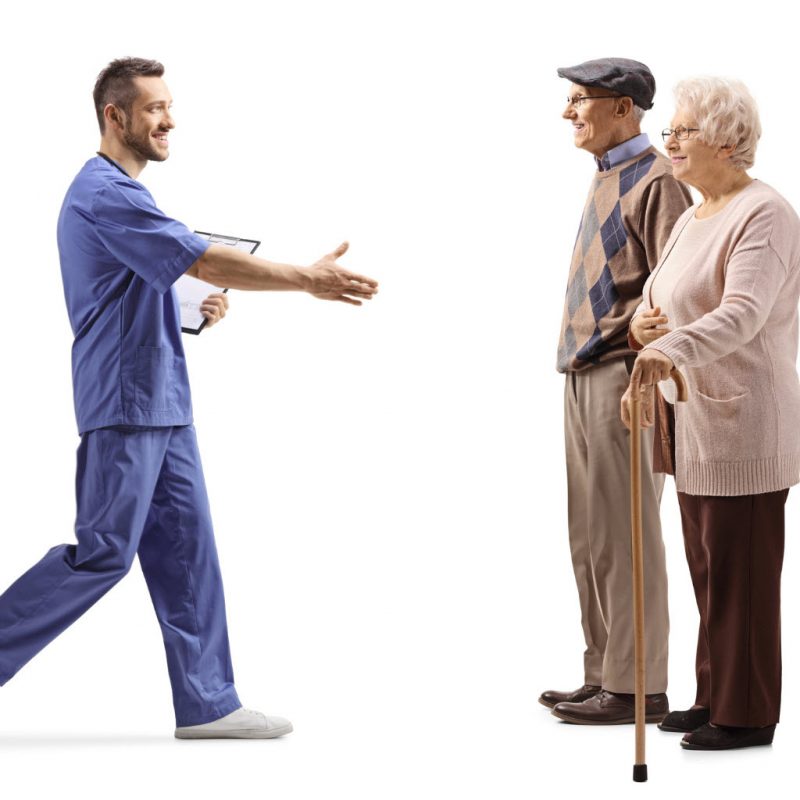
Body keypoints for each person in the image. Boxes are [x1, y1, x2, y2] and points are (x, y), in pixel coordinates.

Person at [0, 57, 378, 739]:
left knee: (185, 546)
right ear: (115, 117)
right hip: (126, 397)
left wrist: (183, 303)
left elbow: (141, 281)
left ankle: (209, 704)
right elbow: (199, 256)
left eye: (170, 106)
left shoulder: (122, 195)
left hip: (162, 398)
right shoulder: (106, 192)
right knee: (104, 552)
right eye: (153, 108)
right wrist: (305, 278)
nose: (169, 119)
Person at [623, 76, 800, 750]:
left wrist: (666, 347)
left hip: (743, 421)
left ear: (726, 141)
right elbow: (658, 301)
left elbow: (743, 313)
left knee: (742, 573)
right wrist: (644, 324)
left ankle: (748, 713)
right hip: (689, 422)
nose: (669, 138)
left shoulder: (765, 213)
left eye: (684, 129)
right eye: (670, 128)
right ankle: (715, 692)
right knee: (709, 566)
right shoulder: (696, 214)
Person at [542, 58, 692, 725]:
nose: (568, 113)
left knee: (627, 532)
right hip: (581, 372)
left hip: (625, 375)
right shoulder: (609, 178)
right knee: (591, 533)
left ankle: (639, 687)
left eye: (580, 100)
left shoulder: (660, 182)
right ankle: (604, 671)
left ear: (624, 107)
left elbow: (679, 289)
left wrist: (647, 358)